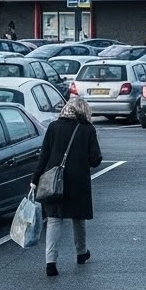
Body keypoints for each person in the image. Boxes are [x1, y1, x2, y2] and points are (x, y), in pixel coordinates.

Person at [30, 97, 103, 276]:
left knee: (54, 219)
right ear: (83, 111)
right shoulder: (87, 129)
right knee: (78, 217)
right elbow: (96, 159)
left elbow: (44, 155)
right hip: (78, 182)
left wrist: (35, 178)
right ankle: (81, 252)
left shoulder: (54, 127)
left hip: (54, 181)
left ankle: (51, 263)